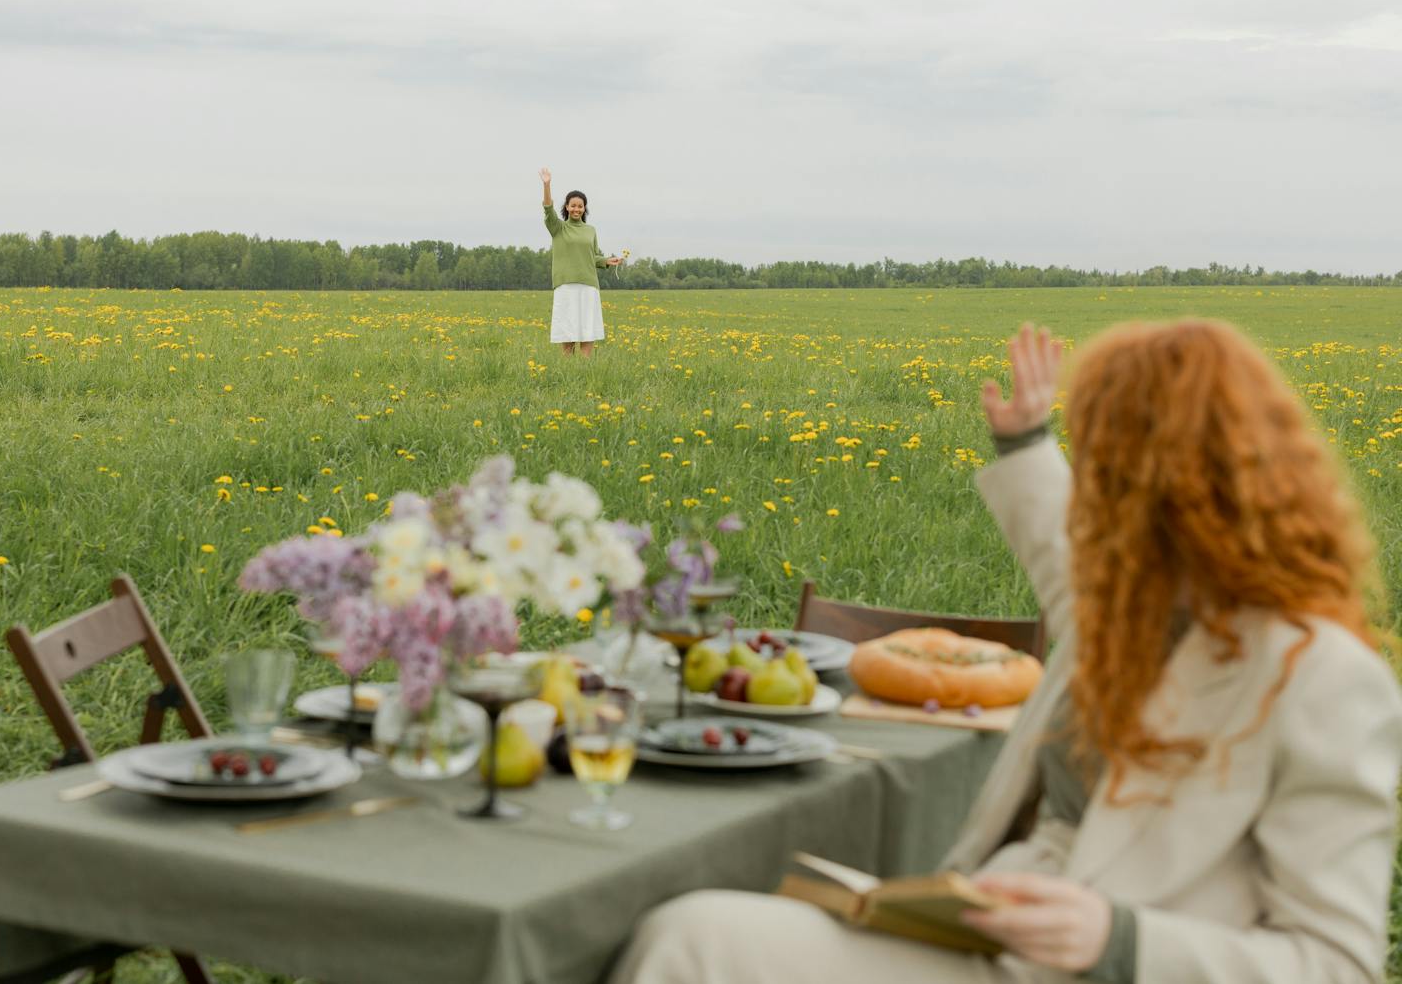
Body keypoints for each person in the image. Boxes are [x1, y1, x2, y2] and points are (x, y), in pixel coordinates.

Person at [611, 320, 1402, 983]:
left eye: (1109, 467)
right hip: (989, 929)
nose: (1091, 487)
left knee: (695, 943)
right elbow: (1065, 559)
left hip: (1083, 966)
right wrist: (1026, 440)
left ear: (1186, 489)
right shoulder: (1132, 602)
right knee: (695, 936)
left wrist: (1121, 941)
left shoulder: (1325, 678)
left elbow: (1339, 962)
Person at [540, 167, 620, 357]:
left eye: (580, 206)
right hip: (566, 284)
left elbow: (593, 256)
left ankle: (584, 366)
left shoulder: (590, 230)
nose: (576, 209)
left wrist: (607, 260)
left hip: (588, 284)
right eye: (573, 205)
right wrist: (547, 185)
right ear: (567, 207)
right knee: (567, 326)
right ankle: (568, 366)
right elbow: (548, 208)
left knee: (587, 326)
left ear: (584, 209)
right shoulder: (558, 227)